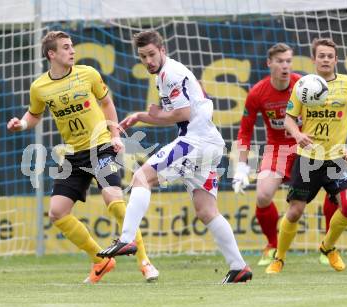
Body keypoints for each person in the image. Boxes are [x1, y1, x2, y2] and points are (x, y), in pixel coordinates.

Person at [97, 30, 252, 284]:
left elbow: (181, 114)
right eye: (143, 56)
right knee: (206, 210)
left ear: (163, 51)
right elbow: (173, 114)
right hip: (209, 144)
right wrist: (142, 116)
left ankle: (126, 239)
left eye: (151, 54)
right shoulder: (164, 75)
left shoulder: (171, 73)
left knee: (141, 177)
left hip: (195, 143)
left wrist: (148, 116)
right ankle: (239, 268)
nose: (148, 61)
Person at [7, 31, 159, 283]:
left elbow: (107, 103)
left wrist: (115, 135)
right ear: (51, 54)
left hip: (100, 146)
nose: (72, 51)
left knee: (114, 200)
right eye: (65, 47)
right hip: (73, 154)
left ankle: (144, 262)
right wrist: (20, 125)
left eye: (72, 46)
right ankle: (100, 260)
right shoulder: (39, 87)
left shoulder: (88, 73)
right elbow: (33, 115)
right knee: (57, 213)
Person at [265, 38, 347, 273]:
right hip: (308, 158)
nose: (326, 59)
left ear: (336, 59)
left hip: (336, 159)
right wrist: (297, 134)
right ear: (314, 59)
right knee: (295, 210)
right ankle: (278, 258)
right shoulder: (303, 85)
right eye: (321, 55)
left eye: (330, 56)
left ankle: (328, 247)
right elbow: (289, 118)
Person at [233, 43, 337, 266]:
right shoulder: (257, 93)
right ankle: (272, 244)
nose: (285, 66)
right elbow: (245, 131)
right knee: (262, 196)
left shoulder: (305, 85)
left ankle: (328, 247)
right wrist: (242, 167)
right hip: (277, 149)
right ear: (269, 63)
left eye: (288, 61)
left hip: (308, 147)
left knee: (335, 192)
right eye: (280, 61)